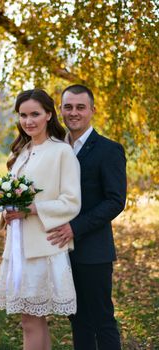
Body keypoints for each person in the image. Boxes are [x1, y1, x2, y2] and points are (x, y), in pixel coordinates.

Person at [0, 88, 81, 350]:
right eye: (23, 115)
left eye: (35, 114)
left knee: (31, 321)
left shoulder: (61, 152)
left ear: (48, 115)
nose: (28, 120)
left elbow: (71, 201)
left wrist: (30, 209)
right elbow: (12, 198)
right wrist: (5, 211)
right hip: (18, 247)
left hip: (43, 247)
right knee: (32, 321)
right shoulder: (22, 152)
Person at [47, 84, 127, 350]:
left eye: (80, 107)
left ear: (92, 110)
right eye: (68, 107)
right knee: (77, 319)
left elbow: (115, 201)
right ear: (60, 110)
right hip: (61, 250)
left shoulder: (109, 150)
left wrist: (75, 227)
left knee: (102, 318)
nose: (74, 113)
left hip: (94, 251)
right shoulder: (56, 149)